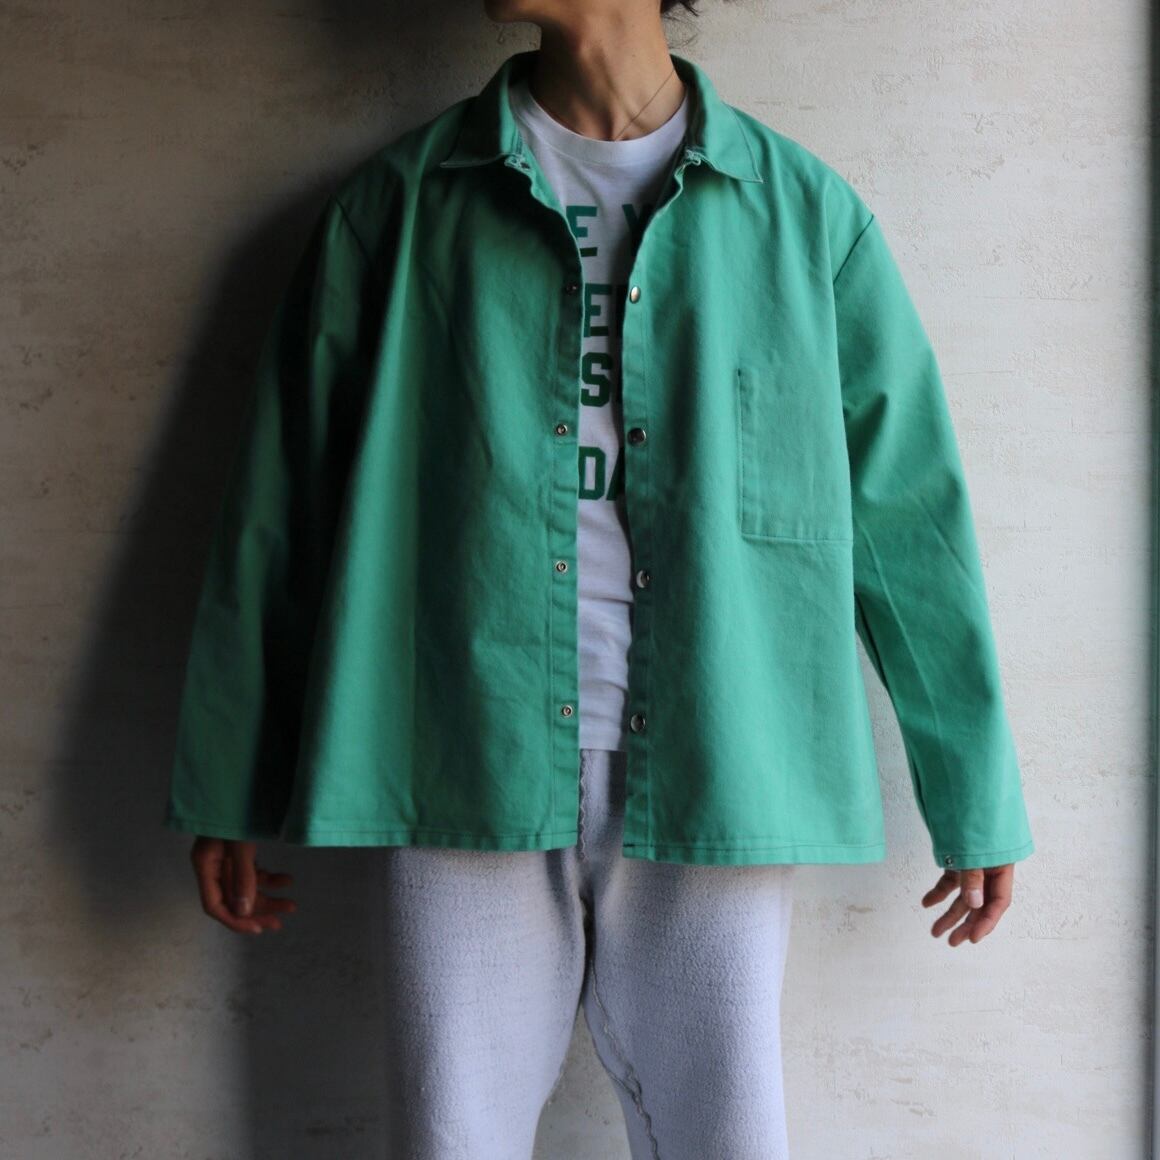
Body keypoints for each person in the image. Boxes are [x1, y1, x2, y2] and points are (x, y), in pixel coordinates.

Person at [164, 1, 1035, 1156]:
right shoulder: (404, 206)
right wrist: (228, 775)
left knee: (727, 1132)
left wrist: (972, 789)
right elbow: (280, 508)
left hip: (720, 758)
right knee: (451, 1132)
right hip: (455, 751)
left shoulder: (801, 216)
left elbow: (907, 522)